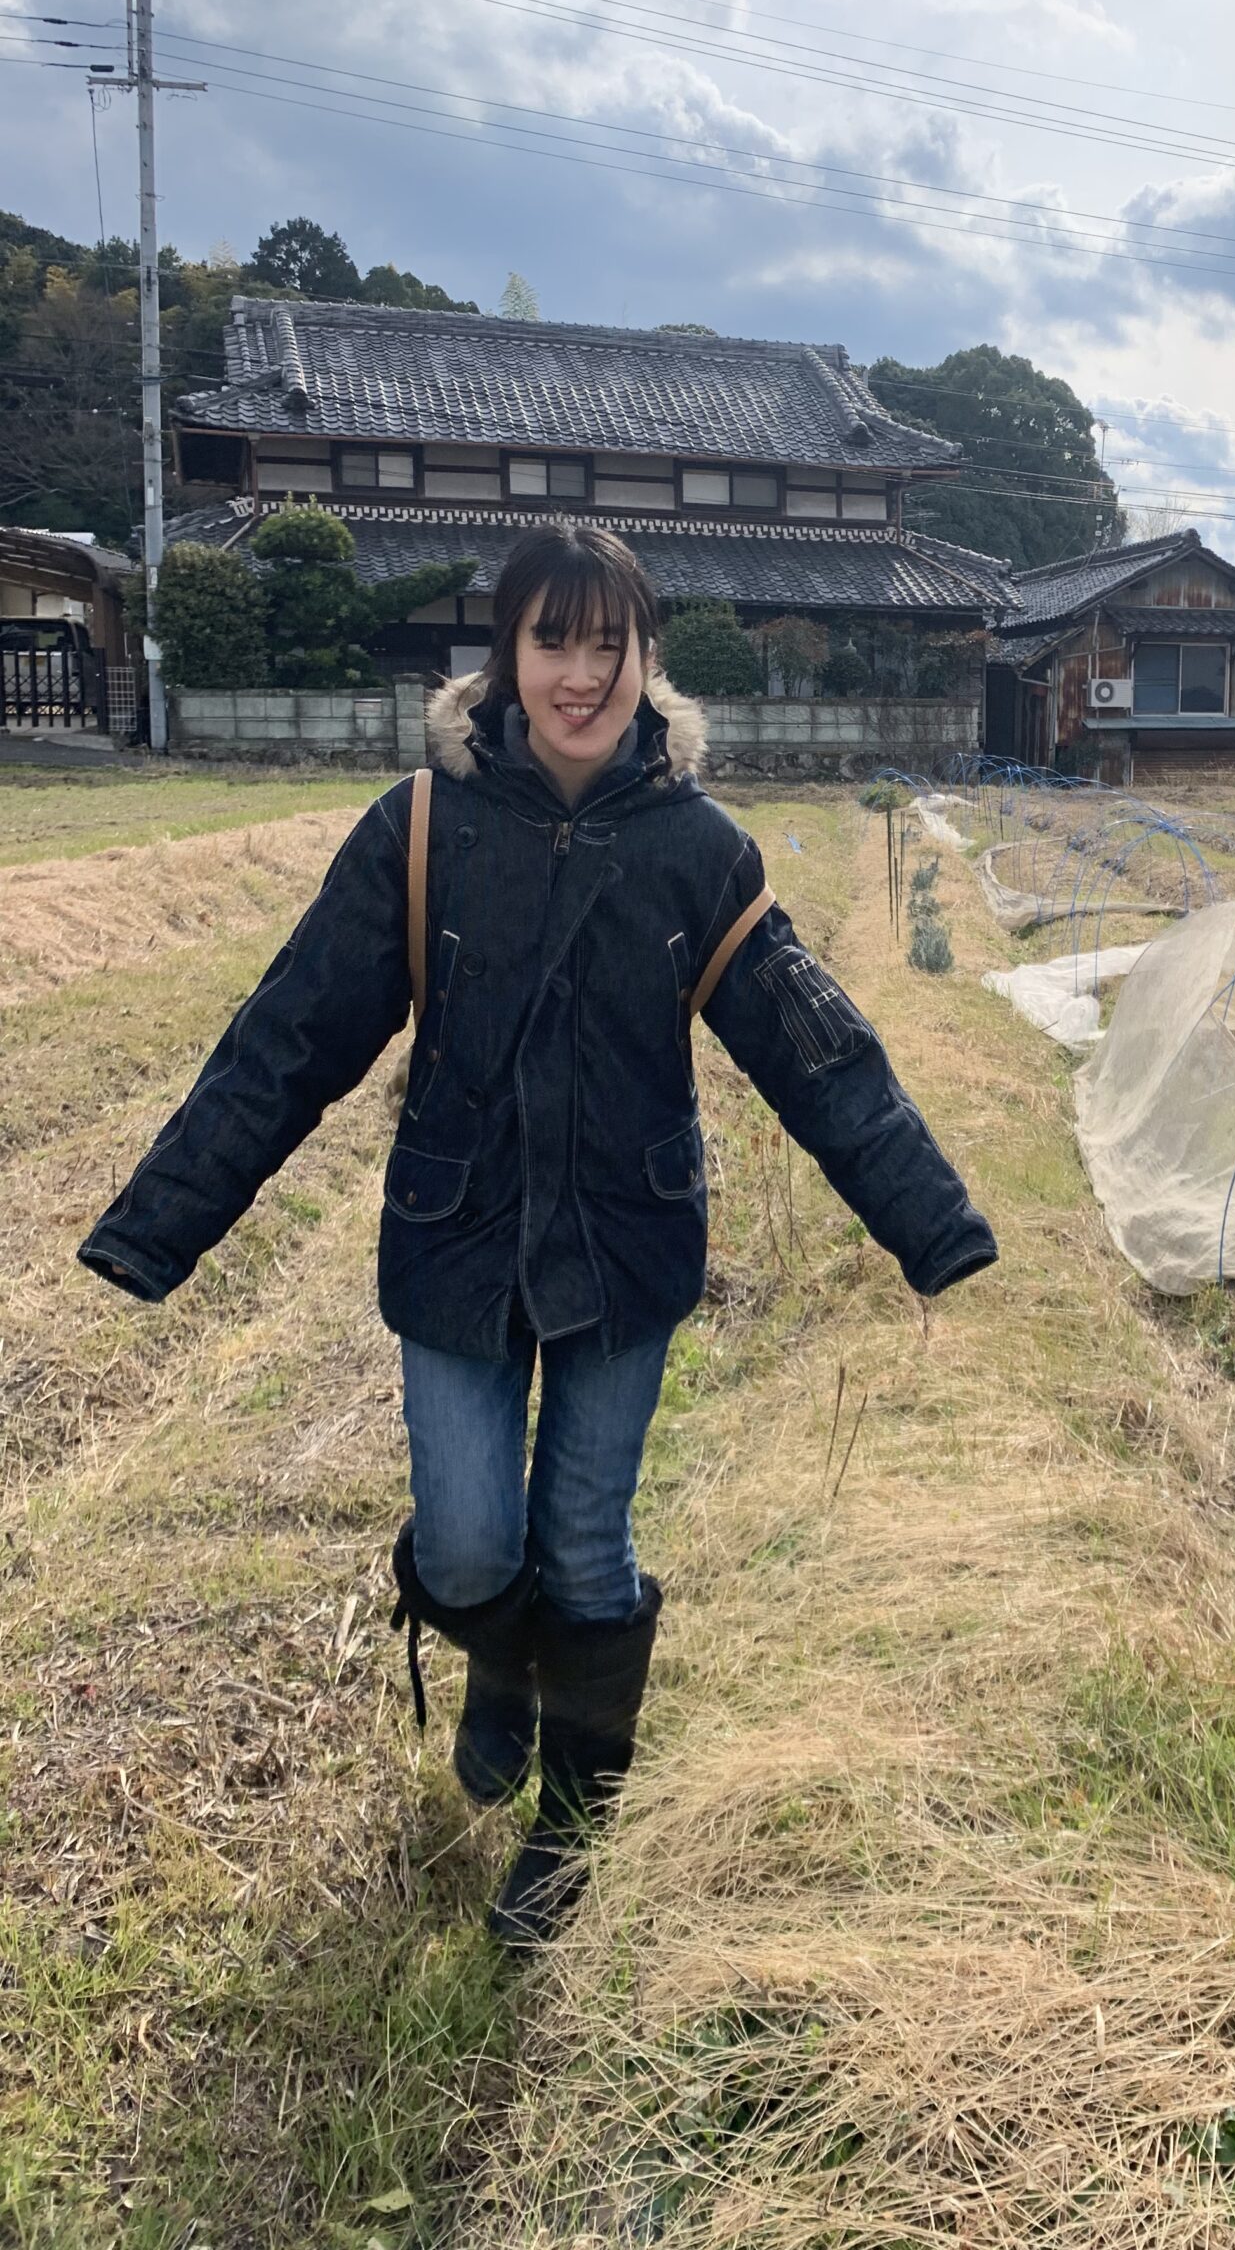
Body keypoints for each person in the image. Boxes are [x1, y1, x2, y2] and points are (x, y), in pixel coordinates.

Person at [79, 523, 997, 1945]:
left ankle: (575, 1819)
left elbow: (818, 1053)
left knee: (582, 1542)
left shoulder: (700, 851)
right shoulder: (425, 827)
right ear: (504, 656)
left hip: (625, 1250)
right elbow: (291, 1032)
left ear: (646, 660)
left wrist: (931, 1223)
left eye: (607, 643)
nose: (579, 674)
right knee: (461, 1548)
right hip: (455, 1236)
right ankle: (492, 1658)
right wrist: (159, 1226)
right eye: (549, 639)